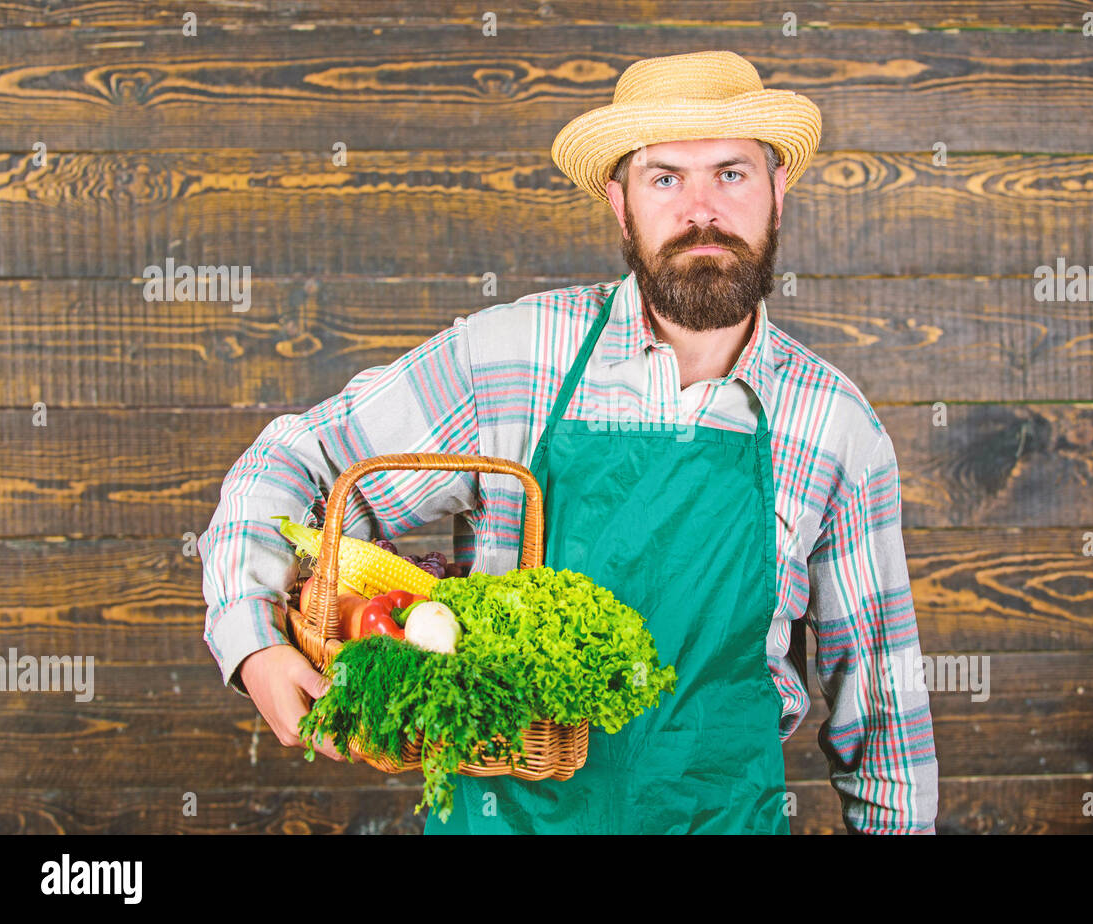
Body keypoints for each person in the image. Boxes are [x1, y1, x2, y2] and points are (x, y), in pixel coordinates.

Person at [199, 49, 938, 834]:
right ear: (621, 203)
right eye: (664, 178)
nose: (702, 211)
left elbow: (882, 696)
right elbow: (294, 463)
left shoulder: (833, 423)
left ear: (777, 191)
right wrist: (253, 641)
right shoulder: (510, 359)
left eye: (731, 173)